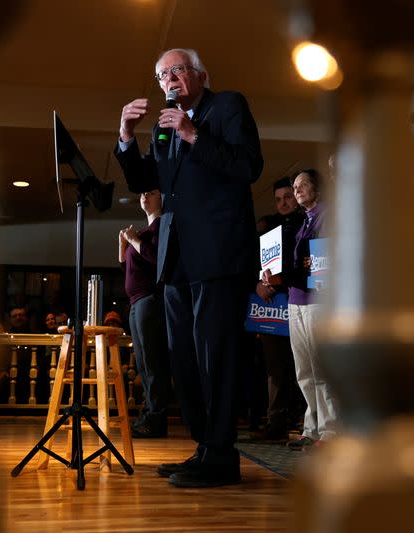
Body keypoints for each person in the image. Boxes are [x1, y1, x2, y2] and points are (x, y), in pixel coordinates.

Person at [114, 47, 263, 487]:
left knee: (215, 356)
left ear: (200, 73)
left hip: (218, 254)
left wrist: (195, 134)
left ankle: (221, 455)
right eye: (162, 75)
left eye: (177, 70)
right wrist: (125, 135)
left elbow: (248, 166)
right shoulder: (164, 124)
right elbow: (146, 181)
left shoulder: (227, 105)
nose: (170, 79)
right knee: (183, 359)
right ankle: (203, 447)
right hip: (175, 259)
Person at [263, 169, 338, 451]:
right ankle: (312, 428)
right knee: (304, 370)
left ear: (318, 187)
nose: (297, 190)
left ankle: (331, 431)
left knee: (322, 369)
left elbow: (320, 264)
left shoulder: (328, 215)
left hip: (319, 299)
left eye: (303, 184)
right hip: (295, 300)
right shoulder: (300, 221)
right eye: (294, 186)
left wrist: (286, 276)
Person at [253, 177, 305, 440]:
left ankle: (307, 424)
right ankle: (275, 423)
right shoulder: (268, 228)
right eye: (278, 199)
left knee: (303, 366)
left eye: (288, 196)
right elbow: (259, 263)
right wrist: (259, 284)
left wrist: (279, 282)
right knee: (275, 368)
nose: (283, 202)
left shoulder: (307, 222)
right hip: (272, 308)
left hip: (301, 300)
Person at [119, 189, 170, 439]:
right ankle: (148, 414)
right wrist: (123, 246)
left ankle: (156, 419)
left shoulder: (162, 225)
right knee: (143, 363)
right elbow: (128, 269)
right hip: (136, 302)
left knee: (152, 363)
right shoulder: (143, 232)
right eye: (142, 193)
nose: (144, 196)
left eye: (151, 193)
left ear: (162, 198)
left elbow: (156, 260)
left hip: (150, 300)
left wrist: (133, 241)